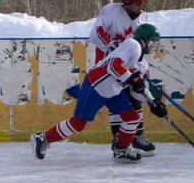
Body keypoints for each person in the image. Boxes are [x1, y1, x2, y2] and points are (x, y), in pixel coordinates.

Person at [31, 23, 167, 164]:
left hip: (113, 89)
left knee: (132, 118)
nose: (153, 45)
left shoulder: (142, 61)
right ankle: (42, 138)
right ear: (144, 39)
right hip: (96, 85)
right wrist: (130, 78)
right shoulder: (133, 45)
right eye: (152, 41)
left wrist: (153, 102)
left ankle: (121, 150)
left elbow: (139, 84)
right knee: (78, 124)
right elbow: (113, 65)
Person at [87, 0, 157, 156]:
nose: (140, 7)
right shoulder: (110, 11)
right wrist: (113, 46)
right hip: (108, 64)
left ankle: (137, 135)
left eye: (142, 3)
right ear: (127, 1)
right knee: (117, 101)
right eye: (137, 3)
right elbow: (96, 34)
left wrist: (141, 69)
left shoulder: (141, 19)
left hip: (129, 63)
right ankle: (117, 140)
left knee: (136, 95)